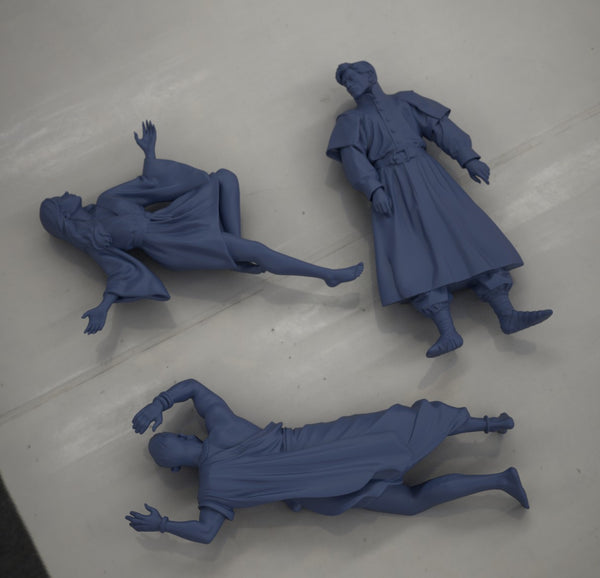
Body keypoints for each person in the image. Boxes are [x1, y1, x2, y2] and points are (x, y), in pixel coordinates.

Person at [40, 121, 363, 334]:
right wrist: (103, 307)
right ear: (61, 215)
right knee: (256, 251)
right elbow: (118, 271)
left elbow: (148, 186)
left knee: (224, 177)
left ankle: (232, 250)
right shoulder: (96, 238)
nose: (65, 193)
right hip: (172, 245)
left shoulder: (108, 200)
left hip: (175, 218)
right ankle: (326, 275)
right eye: (59, 199)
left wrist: (151, 154)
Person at [327, 61, 552, 357]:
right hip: (392, 189)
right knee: (411, 251)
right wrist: (374, 188)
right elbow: (354, 160)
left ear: (370, 76)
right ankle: (447, 332)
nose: (349, 85)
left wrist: (468, 158)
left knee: (466, 233)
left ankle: (507, 313)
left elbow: (440, 128)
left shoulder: (405, 101)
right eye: (345, 83)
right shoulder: (350, 121)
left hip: (429, 177)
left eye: (352, 78)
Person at [126, 379, 528, 544]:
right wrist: (159, 403)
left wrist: (163, 525)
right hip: (328, 463)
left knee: (408, 479)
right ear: (184, 445)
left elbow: (204, 533)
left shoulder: (216, 479)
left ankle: (495, 454)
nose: (181, 439)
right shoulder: (220, 443)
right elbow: (194, 387)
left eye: (173, 437)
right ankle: (493, 448)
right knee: (408, 442)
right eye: (174, 441)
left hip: (326, 477)